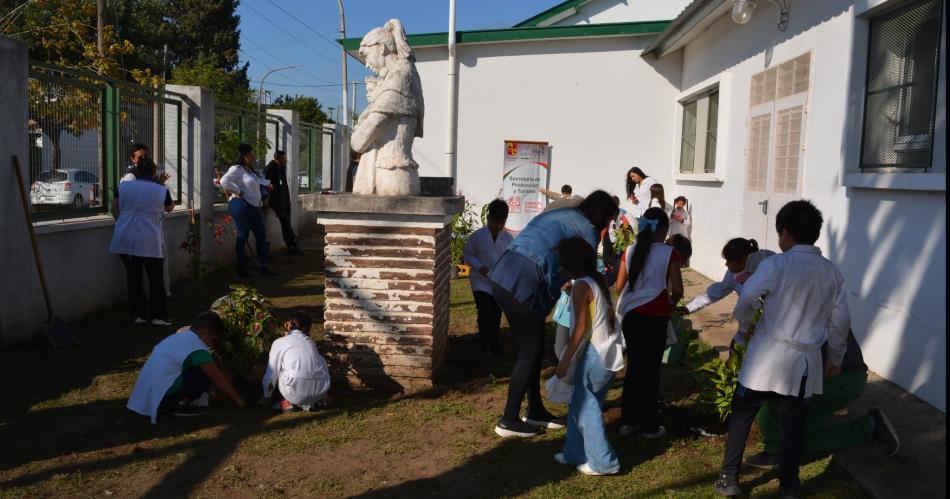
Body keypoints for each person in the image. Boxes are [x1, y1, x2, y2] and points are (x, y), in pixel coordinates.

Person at [714, 200, 851, 498]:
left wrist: (747, 326)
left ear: (784, 233)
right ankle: (789, 485)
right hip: (803, 362)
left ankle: (729, 477)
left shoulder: (776, 263)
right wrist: (834, 359)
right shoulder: (831, 272)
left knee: (742, 414)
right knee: (792, 425)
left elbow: (748, 298)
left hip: (766, 357)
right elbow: (840, 322)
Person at [489, 190, 618, 438]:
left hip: (504, 272)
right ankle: (509, 419)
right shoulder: (588, 233)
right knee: (530, 351)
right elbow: (583, 275)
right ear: (604, 217)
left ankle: (535, 411)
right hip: (523, 281)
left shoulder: (563, 212)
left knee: (533, 349)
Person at [746, 329, 900, 469]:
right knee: (790, 429)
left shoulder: (809, 307)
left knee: (778, 414)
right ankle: (777, 448)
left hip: (838, 379)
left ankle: (869, 426)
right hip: (834, 377)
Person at [552, 237, 626, 476]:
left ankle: (604, 463)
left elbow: (580, 329)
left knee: (586, 411)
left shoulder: (581, 286)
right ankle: (575, 452)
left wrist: (565, 360)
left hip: (594, 355)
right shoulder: (594, 280)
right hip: (605, 354)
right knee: (578, 405)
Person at [613, 207, 684, 439]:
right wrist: (670, 305)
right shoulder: (669, 253)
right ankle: (649, 425)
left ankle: (628, 422)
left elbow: (617, 286)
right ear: (664, 230)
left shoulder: (630, 250)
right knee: (651, 371)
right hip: (656, 317)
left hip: (632, 316)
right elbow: (678, 289)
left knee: (633, 368)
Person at [127, 311, 246, 423]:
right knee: (205, 372)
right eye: (213, 340)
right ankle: (180, 404)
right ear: (204, 332)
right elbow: (216, 377)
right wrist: (237, 399)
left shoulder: (179, 337)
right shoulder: (198, 347)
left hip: (150, 394)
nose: (212, 344)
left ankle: (165, 403)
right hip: (166, 392)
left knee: (197, 368)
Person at [109, 156, 174, 326]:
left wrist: (124, 223)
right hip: (149, 238)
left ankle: (137, 315)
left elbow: (114, 209)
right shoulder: (161, 190)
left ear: (137, 170)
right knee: (155, 277)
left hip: (125, 236)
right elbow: (169, 207)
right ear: (154, 171)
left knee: (133, 277)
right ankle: (158, 316)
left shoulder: (123, 186)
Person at [462, 199, 513, 355]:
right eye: (494, 221)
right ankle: (485, 344)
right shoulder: (477, 236)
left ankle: (494, 342)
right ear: (488, 218)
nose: (497, 226)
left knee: (496, 312)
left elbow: (510, 259)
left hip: (498, 281)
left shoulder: (508, 239)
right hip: (480, 280)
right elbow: (468, 255)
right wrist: (480, 267)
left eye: (501, 222)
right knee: (484, 310)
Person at [220, 144, 277, 277]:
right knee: (242, 236)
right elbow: (224, 181)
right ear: (243, 156)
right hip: (242, 205)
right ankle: (242, 268)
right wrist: (238, 191)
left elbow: (258, 181)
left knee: (261, 236)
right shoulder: (236, 169)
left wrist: (268, 184)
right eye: (251, 155)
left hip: (254, 206)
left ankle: (263, 265)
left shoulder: (249, 170)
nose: (253, 157)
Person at [682, 238, 774, 315]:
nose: (726, 264)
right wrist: (688, 308)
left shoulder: (768, 262)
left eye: (729, 261)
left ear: (742, 260)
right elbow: (714, 293)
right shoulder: (733, 275)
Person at [262, 311, 331, 413]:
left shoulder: (279, 342)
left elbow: (271, 373)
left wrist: (267, 396)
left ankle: (287, 402)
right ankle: (315, 401)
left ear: (289, 325)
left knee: (279, 368)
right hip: (320, 390)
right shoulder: (310, 342)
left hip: (293, 391)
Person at [264, 150, 302, 256]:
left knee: (286, 224)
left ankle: (292, 246)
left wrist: (287, 199)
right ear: (277, 157)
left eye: (286, 158)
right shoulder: (271, 167)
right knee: (285, 223)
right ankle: (292, 244)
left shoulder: (282, 167)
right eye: (283, 158)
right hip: (277, 201)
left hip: (285, 200)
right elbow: (265, 182)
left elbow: (284, 184)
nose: (285, 160)